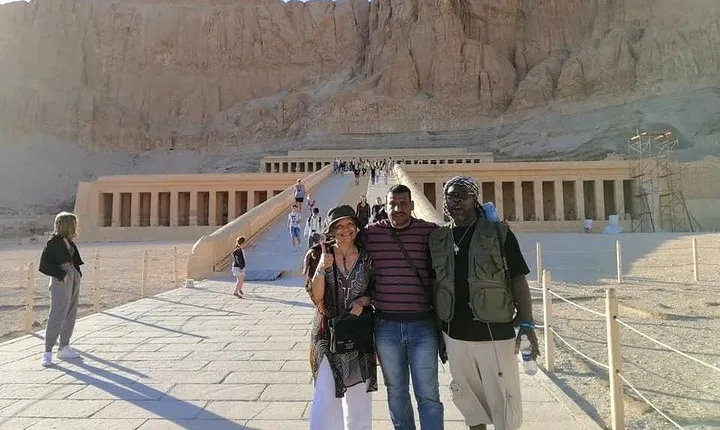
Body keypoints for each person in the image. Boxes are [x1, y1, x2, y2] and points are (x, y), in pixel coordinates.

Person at [429, 176, 539, 430]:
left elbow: (518, 279)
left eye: (462, 196)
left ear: (474, 199)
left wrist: (527, 324)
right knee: (468, 401)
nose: (456, 201)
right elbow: (436, 286)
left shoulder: (498, 233)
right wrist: (439, 332)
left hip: (494, 333)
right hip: (455, 334)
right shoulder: (439, 238)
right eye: (451, 196)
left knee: (503, 400)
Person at [365, 184, 444, 430]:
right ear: (385, 205)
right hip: (386, 325)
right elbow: (342, 239)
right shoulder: (371, 234)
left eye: (403, 204)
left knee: (428, 392)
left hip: (422, 325)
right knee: (396, 391)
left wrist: (493, 225)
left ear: (412, 205)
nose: (398, 209)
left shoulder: (429, 231)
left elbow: (458, 236)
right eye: (393, 204)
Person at [304, 205, 377, 430]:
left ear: (357, 227)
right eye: (339, 226)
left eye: (350, 224)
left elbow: (373, 292)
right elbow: (316, 298)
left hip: (358, 333)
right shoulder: (317, 254)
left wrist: (362, 302)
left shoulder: (367, 258)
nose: (345, 230)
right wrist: (321, 269)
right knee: (326, 399)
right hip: (327, 334)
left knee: (359, 401)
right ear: (331, 230)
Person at [38, 212, 84, 367]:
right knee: (58, 313)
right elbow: (44, 265)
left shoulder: (68, 242)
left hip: (72, 277)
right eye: (73, 224)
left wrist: (77, 273)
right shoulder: (53, 243)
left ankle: (64, 347)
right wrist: (61, 274)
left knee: (71, 311)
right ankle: (47, 351)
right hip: (61, 278)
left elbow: (74, 260)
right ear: (67, 225)